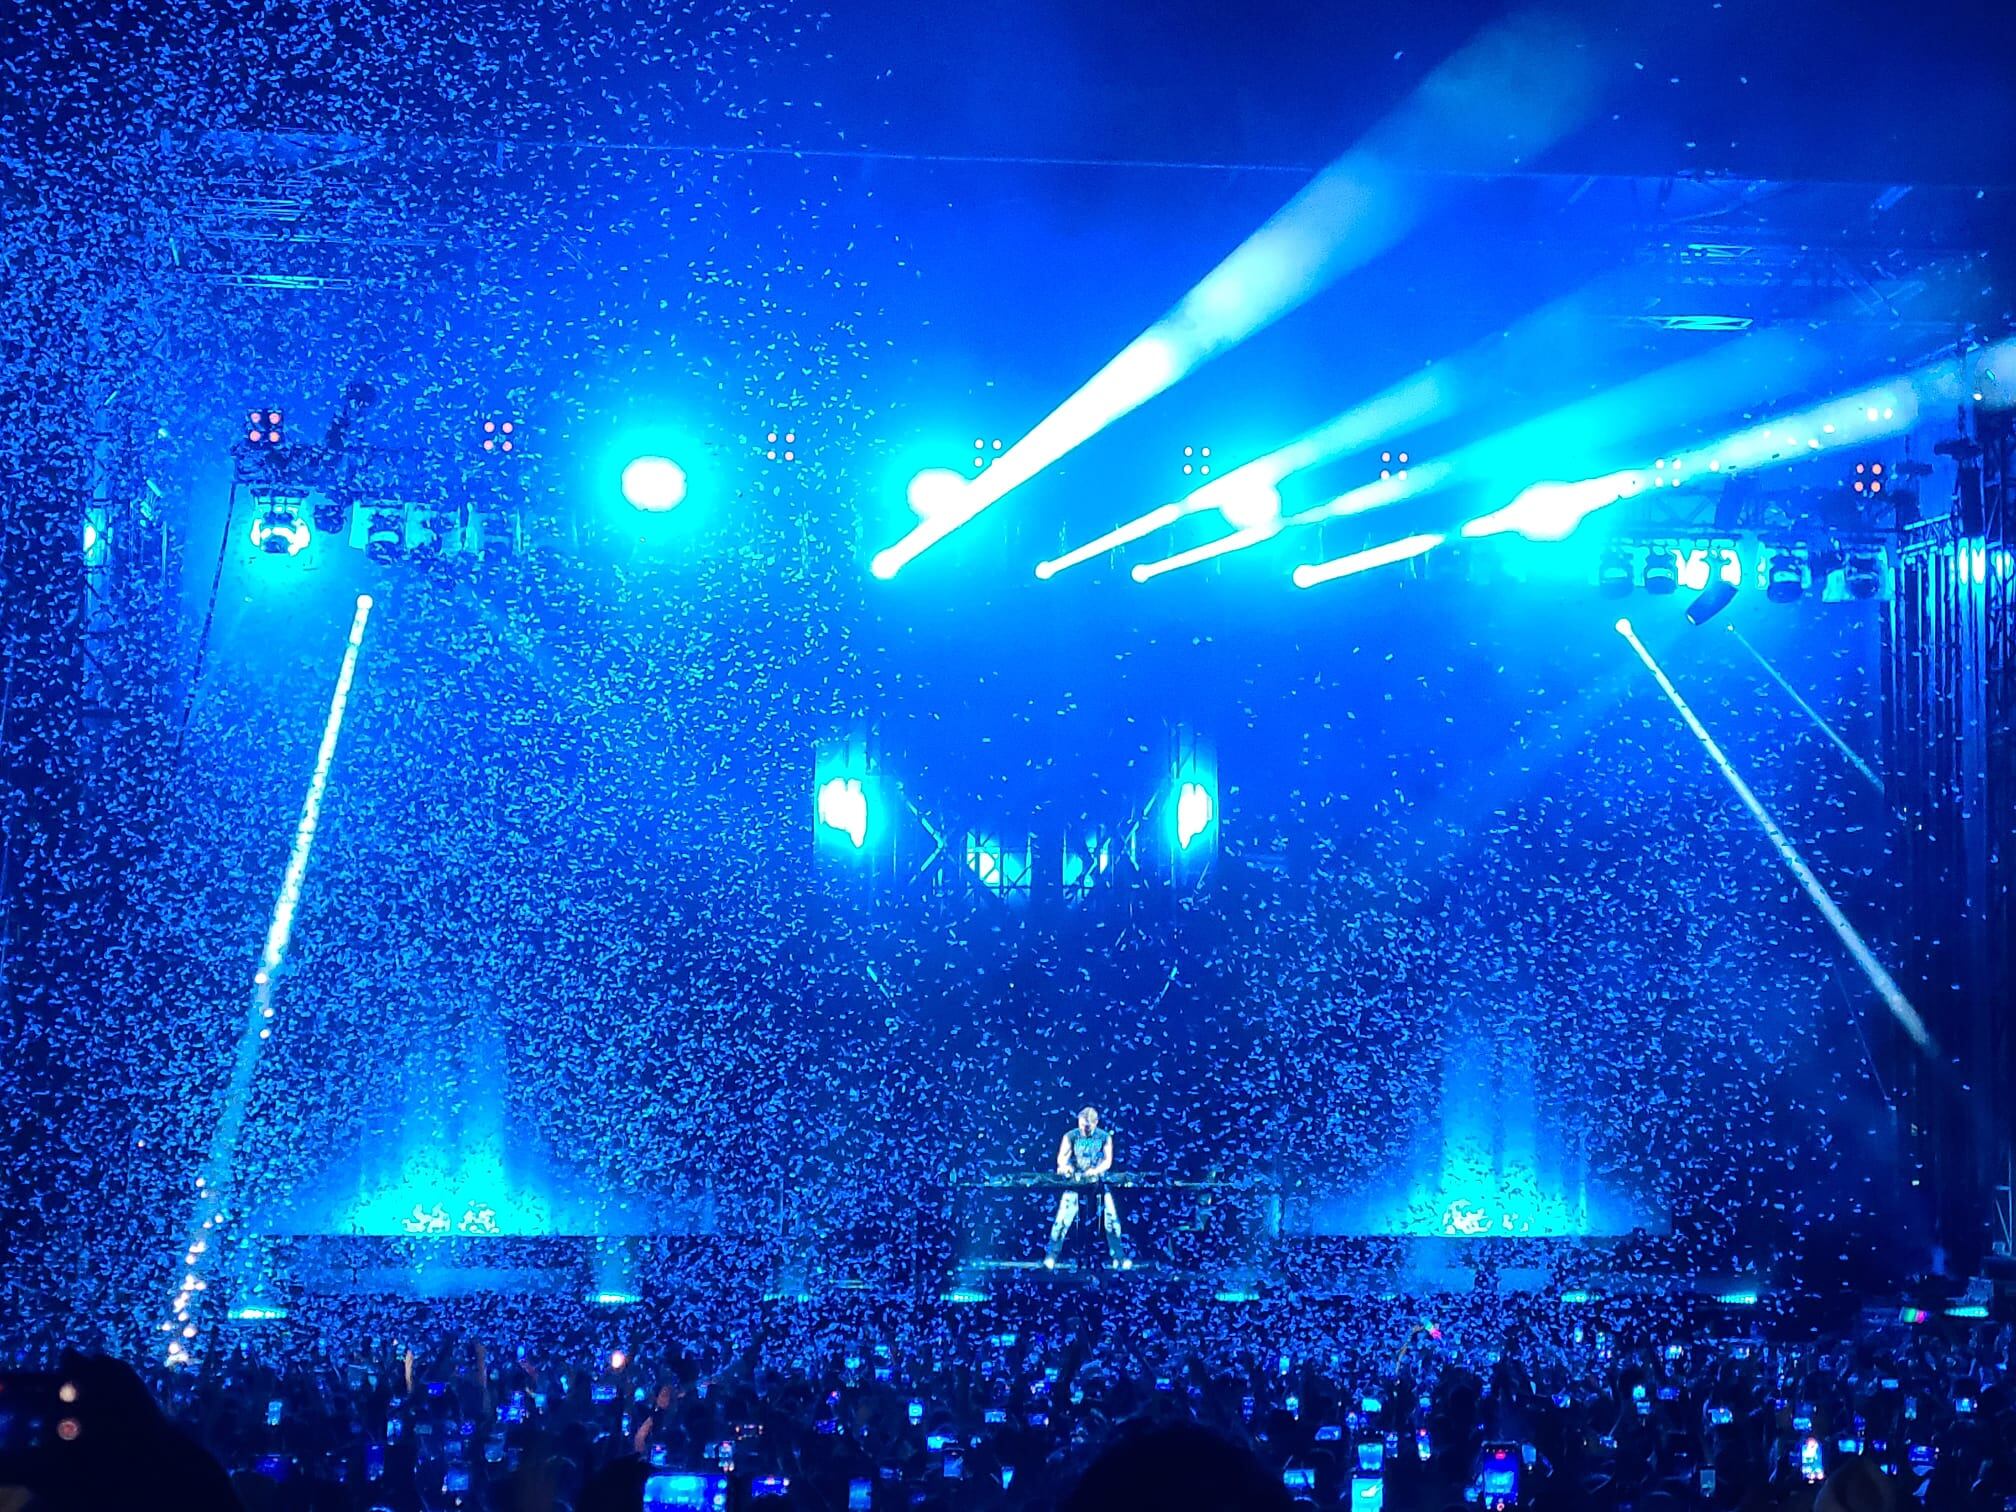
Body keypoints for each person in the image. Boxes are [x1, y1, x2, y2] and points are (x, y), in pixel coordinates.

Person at [1044, 1106, 1129, 1270]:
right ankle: (1051, 1256)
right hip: (1074, 1184)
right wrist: (1065, 1167)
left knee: (1111, 1222)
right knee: (1061, 1221)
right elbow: (1061, 1158)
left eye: (1088, 1127)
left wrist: (1095, 1171)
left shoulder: (1104, 1137)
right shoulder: (1070, 1136)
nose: (1084, 1130)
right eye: (1082, 1126)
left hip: (1099, 1185)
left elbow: (1107, 1160)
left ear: (1096, 1123)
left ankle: (1119, 1257)